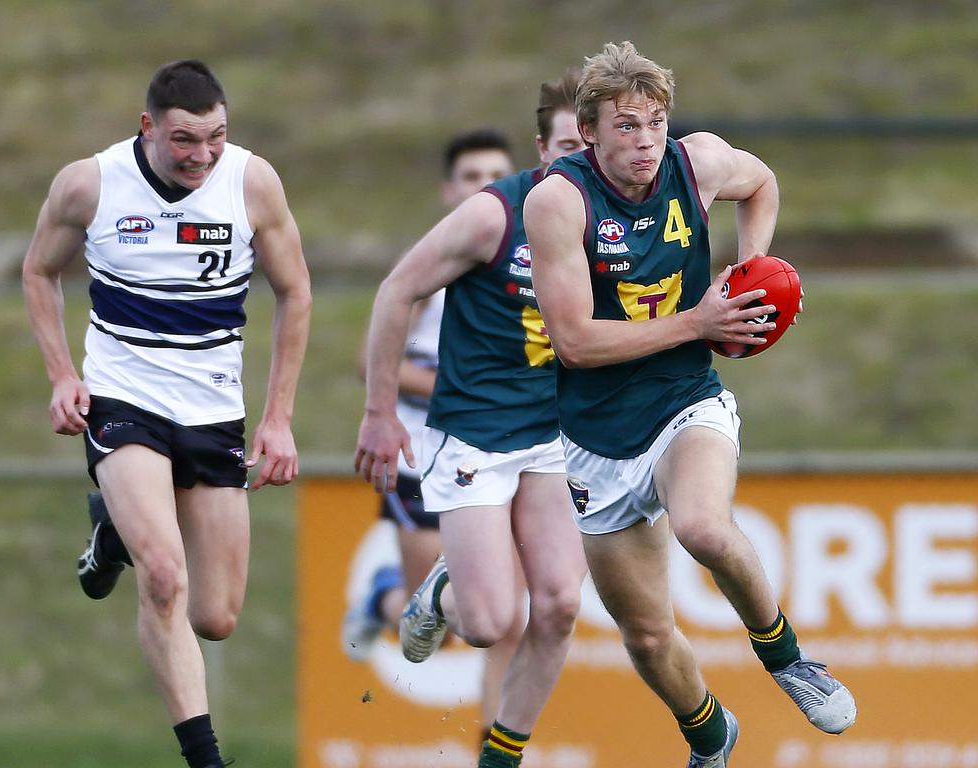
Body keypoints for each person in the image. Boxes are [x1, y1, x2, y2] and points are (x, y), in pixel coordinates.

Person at [523, 42, 856, 767]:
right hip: (593, 438)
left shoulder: (694, 161)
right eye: (626, 127)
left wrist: (750, 263)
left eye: (656, 123)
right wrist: (699, 322)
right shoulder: (557, 200)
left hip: (685, 401)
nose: (646, 143)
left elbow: (762, 182)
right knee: (645, 635)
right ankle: (710, 733)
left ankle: (789, 658)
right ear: (588, 132)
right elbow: (575, 342)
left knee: (703, 527)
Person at [22, 60, 312, 768]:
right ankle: (206, 759)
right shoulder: (89, 183)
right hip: (124, 398)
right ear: (148, 126)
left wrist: (277, 418)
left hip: (212, 409)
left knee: (215, 615)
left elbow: (295, 292)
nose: (202, 156)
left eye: (216, 137)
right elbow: (38, 270)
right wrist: (63, 376)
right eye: (186, 140)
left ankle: (111, 530)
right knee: (165, 577)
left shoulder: (251, 182)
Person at [354, 72, 587, 768]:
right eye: (570, 144)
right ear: (542, 149)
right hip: (474, 437)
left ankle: (501, 754)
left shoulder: (613, 218)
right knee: (488, 623)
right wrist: (375, 414)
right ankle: (438, 589)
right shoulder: (494, 216)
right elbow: (396, 290)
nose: (585, 159)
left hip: (553, 438)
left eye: (594, 144)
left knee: (560, 605)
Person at [341, 128, 526, 734]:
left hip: (503, 455)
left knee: (510, 621)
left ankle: (493, 751)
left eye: (497, 173)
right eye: (472, 176)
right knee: (438, 622)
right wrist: (460, 381)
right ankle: (379, 601)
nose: (486, 185)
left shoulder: (526, 264)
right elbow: (378, 363)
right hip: (425, 456)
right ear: (451, 190)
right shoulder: (434, 267)